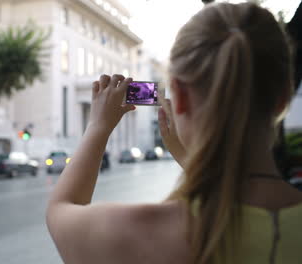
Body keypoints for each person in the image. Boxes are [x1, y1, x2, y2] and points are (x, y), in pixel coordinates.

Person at [46, 2, 302, 264]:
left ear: (178, 97)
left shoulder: (139, 232)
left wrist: (98, 125)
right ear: (283, 99)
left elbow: (60, 210)